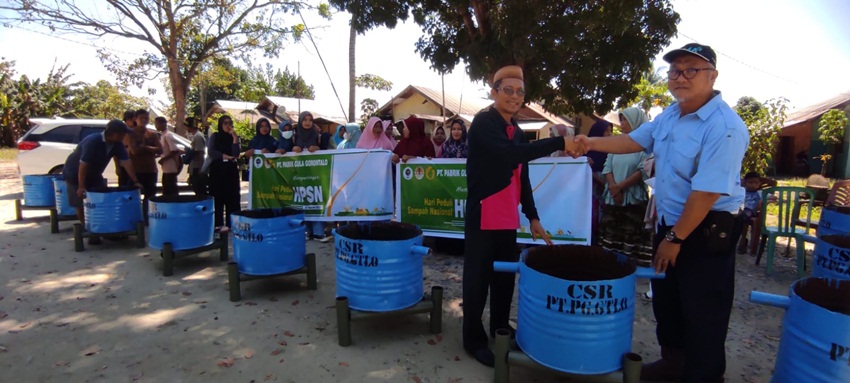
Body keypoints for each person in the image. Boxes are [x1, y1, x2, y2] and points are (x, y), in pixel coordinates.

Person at [572, 43, 748, 382]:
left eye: (691, 70)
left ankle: (703, 375)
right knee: (669, 301)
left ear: (712, 75)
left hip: (706, 229)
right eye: (675, 70)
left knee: (703, 310)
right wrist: (590, 143)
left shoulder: (724, 126)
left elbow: (707, 191)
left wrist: (675, 238)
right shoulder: (671, 113)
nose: (680, 77)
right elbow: (636, 140)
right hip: (670, 224)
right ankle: (673, 362)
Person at [463, 65, 575, 367]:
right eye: (508, 90)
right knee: (477, 280)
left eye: (520, 91)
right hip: (483, 214)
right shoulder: (483, 123)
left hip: (507, 217)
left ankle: (500, 328)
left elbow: (521, 175)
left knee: (503, 279)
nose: (514, 96)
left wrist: (533, 216)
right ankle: (472, 339)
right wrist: (560, 142)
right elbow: (509, 156)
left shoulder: (519, 131)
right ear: (494, 92)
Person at [63, 120, 144, 244]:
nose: (124, 137)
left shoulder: (117, 144)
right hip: (75, 173)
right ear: (113, 133)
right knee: (80, 202)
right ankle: (90, 231)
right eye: (122, 134)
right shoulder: (93, 141)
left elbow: (126, 162)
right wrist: (81, 186)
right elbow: (83, 165)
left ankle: (105, 229)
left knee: (102, 200)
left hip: (95, 174)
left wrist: (136, 181)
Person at [599, 107, 651, 266]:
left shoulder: (645, 144)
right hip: (613, 199)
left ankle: (628, 269)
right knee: (611, 236)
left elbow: (643, 170)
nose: (622, 123)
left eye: (625, 119)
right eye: (621, 119)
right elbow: (607, 167)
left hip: (633, 200)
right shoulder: (618, 143)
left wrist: (620, 187)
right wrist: (614, 188)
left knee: (630, 234)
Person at [206, 115, 242, 231]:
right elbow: (211, 151)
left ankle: (232, 224)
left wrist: (235, 139)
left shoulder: (233, 137)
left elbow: (236, 154)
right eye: (225, 123)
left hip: (231, 170)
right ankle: (218, 224)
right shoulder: (215, 136)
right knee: (218, 197)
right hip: (218, 169)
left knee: (233, 197)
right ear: (221, 125)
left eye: (230, 123)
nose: (228, 126)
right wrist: (224, 156)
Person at [123, 109, 161, 213]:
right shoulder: (130, 134)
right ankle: (133, 220)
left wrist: (145, 147)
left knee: (150, 197)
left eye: (146, 118)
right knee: (133, 197)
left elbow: (160, 150)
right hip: (136, 170)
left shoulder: (152, 134)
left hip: (151, 170)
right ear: (135, 119)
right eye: (141, 118)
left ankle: (148, 219)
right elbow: (134, 151)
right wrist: (151, 148)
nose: (144, 120)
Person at [586, 119, 612, 245]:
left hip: (606, 192)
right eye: (606, 131)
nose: (609, 134)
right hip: (589, 192)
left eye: (610, 131)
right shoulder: (586, 152)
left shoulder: (611, 152)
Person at [737, 172, 762, 255]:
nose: (753, 185)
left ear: (759, 184)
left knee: (743, 217)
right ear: (745, 182)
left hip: (751, 211)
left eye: (756, 183)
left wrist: (762, 201)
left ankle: (743, 240)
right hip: (740, 210)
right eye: (750, 182)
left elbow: (773, 197)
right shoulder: (742, 191)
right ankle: (741, 239)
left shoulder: (760, 193)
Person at [156, 116, 183, 196]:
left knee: (171, 189)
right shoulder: (163, 135)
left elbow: (174, 151)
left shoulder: (168, 135)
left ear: (163, 124)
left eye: (157, 124)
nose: (156, 126)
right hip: (166, 168)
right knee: (166, 188)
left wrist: (163, 159)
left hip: (171, 167)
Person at [186, 118, 207, 196]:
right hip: (194, 167)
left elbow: (200, 153)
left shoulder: (198, 136)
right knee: (196, 189)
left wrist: (200, 169)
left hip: (197, 167)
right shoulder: (195, 136)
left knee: (200, 191)